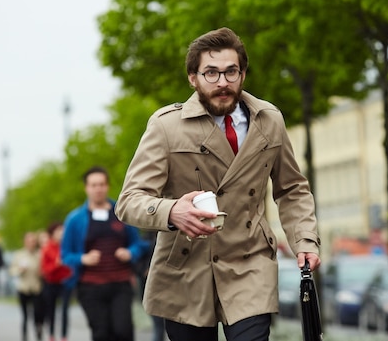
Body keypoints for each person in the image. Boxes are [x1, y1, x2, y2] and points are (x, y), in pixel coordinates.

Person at [115, 27, 321, 341]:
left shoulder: (269, 120)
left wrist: (304, 239)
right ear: (192, 78)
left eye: (231, 72)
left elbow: (291, 188)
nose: (222, 82)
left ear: (243, 74)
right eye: (211, 73)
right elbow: (130, 200)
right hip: (187, 268)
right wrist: (172, 212)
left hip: (249, 261)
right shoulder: (166, 126)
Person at [61, 166, 145, 341]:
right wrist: (82, 258)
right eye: (93, 185)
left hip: (121, 283)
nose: (98, 188)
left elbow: (139, 243)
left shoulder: (121, 213)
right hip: (90, 286)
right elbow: (65, 254)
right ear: (87, 188)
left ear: (107, 186)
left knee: (123, 331)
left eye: (101, 184)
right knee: (101, 333)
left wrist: (130, 252)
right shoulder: (75, 219)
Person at [40, 221, 73, 341]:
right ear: (52, 233)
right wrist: (56, 264)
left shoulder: (67, 246)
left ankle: (64, 336)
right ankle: (52, 335)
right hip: (51, 283)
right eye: (58, 231)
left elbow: (71, 265)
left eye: (62, 230)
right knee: (51, 310)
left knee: (65, 310)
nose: (61, 233)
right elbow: (44, 269)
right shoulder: (47, 248)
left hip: (65, 283)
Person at [10, 231, 45, 341]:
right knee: (25, 316)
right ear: (25, 242)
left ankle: (38, 333)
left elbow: (45, 270)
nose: (31, 243)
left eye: (33, 241)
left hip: (36, 288)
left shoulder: (40, 254)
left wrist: (42, 273)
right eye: (29, 241)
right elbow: (12, 270)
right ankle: (24, 337)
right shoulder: (19, 255)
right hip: (23, 288)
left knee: (38, 314)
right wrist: (19, 270)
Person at [133, 231, 166, 341]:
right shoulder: (145, 240)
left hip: (168, 287)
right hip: (150, 287)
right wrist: (145, 270)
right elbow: (136, 262)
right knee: (158, 324)